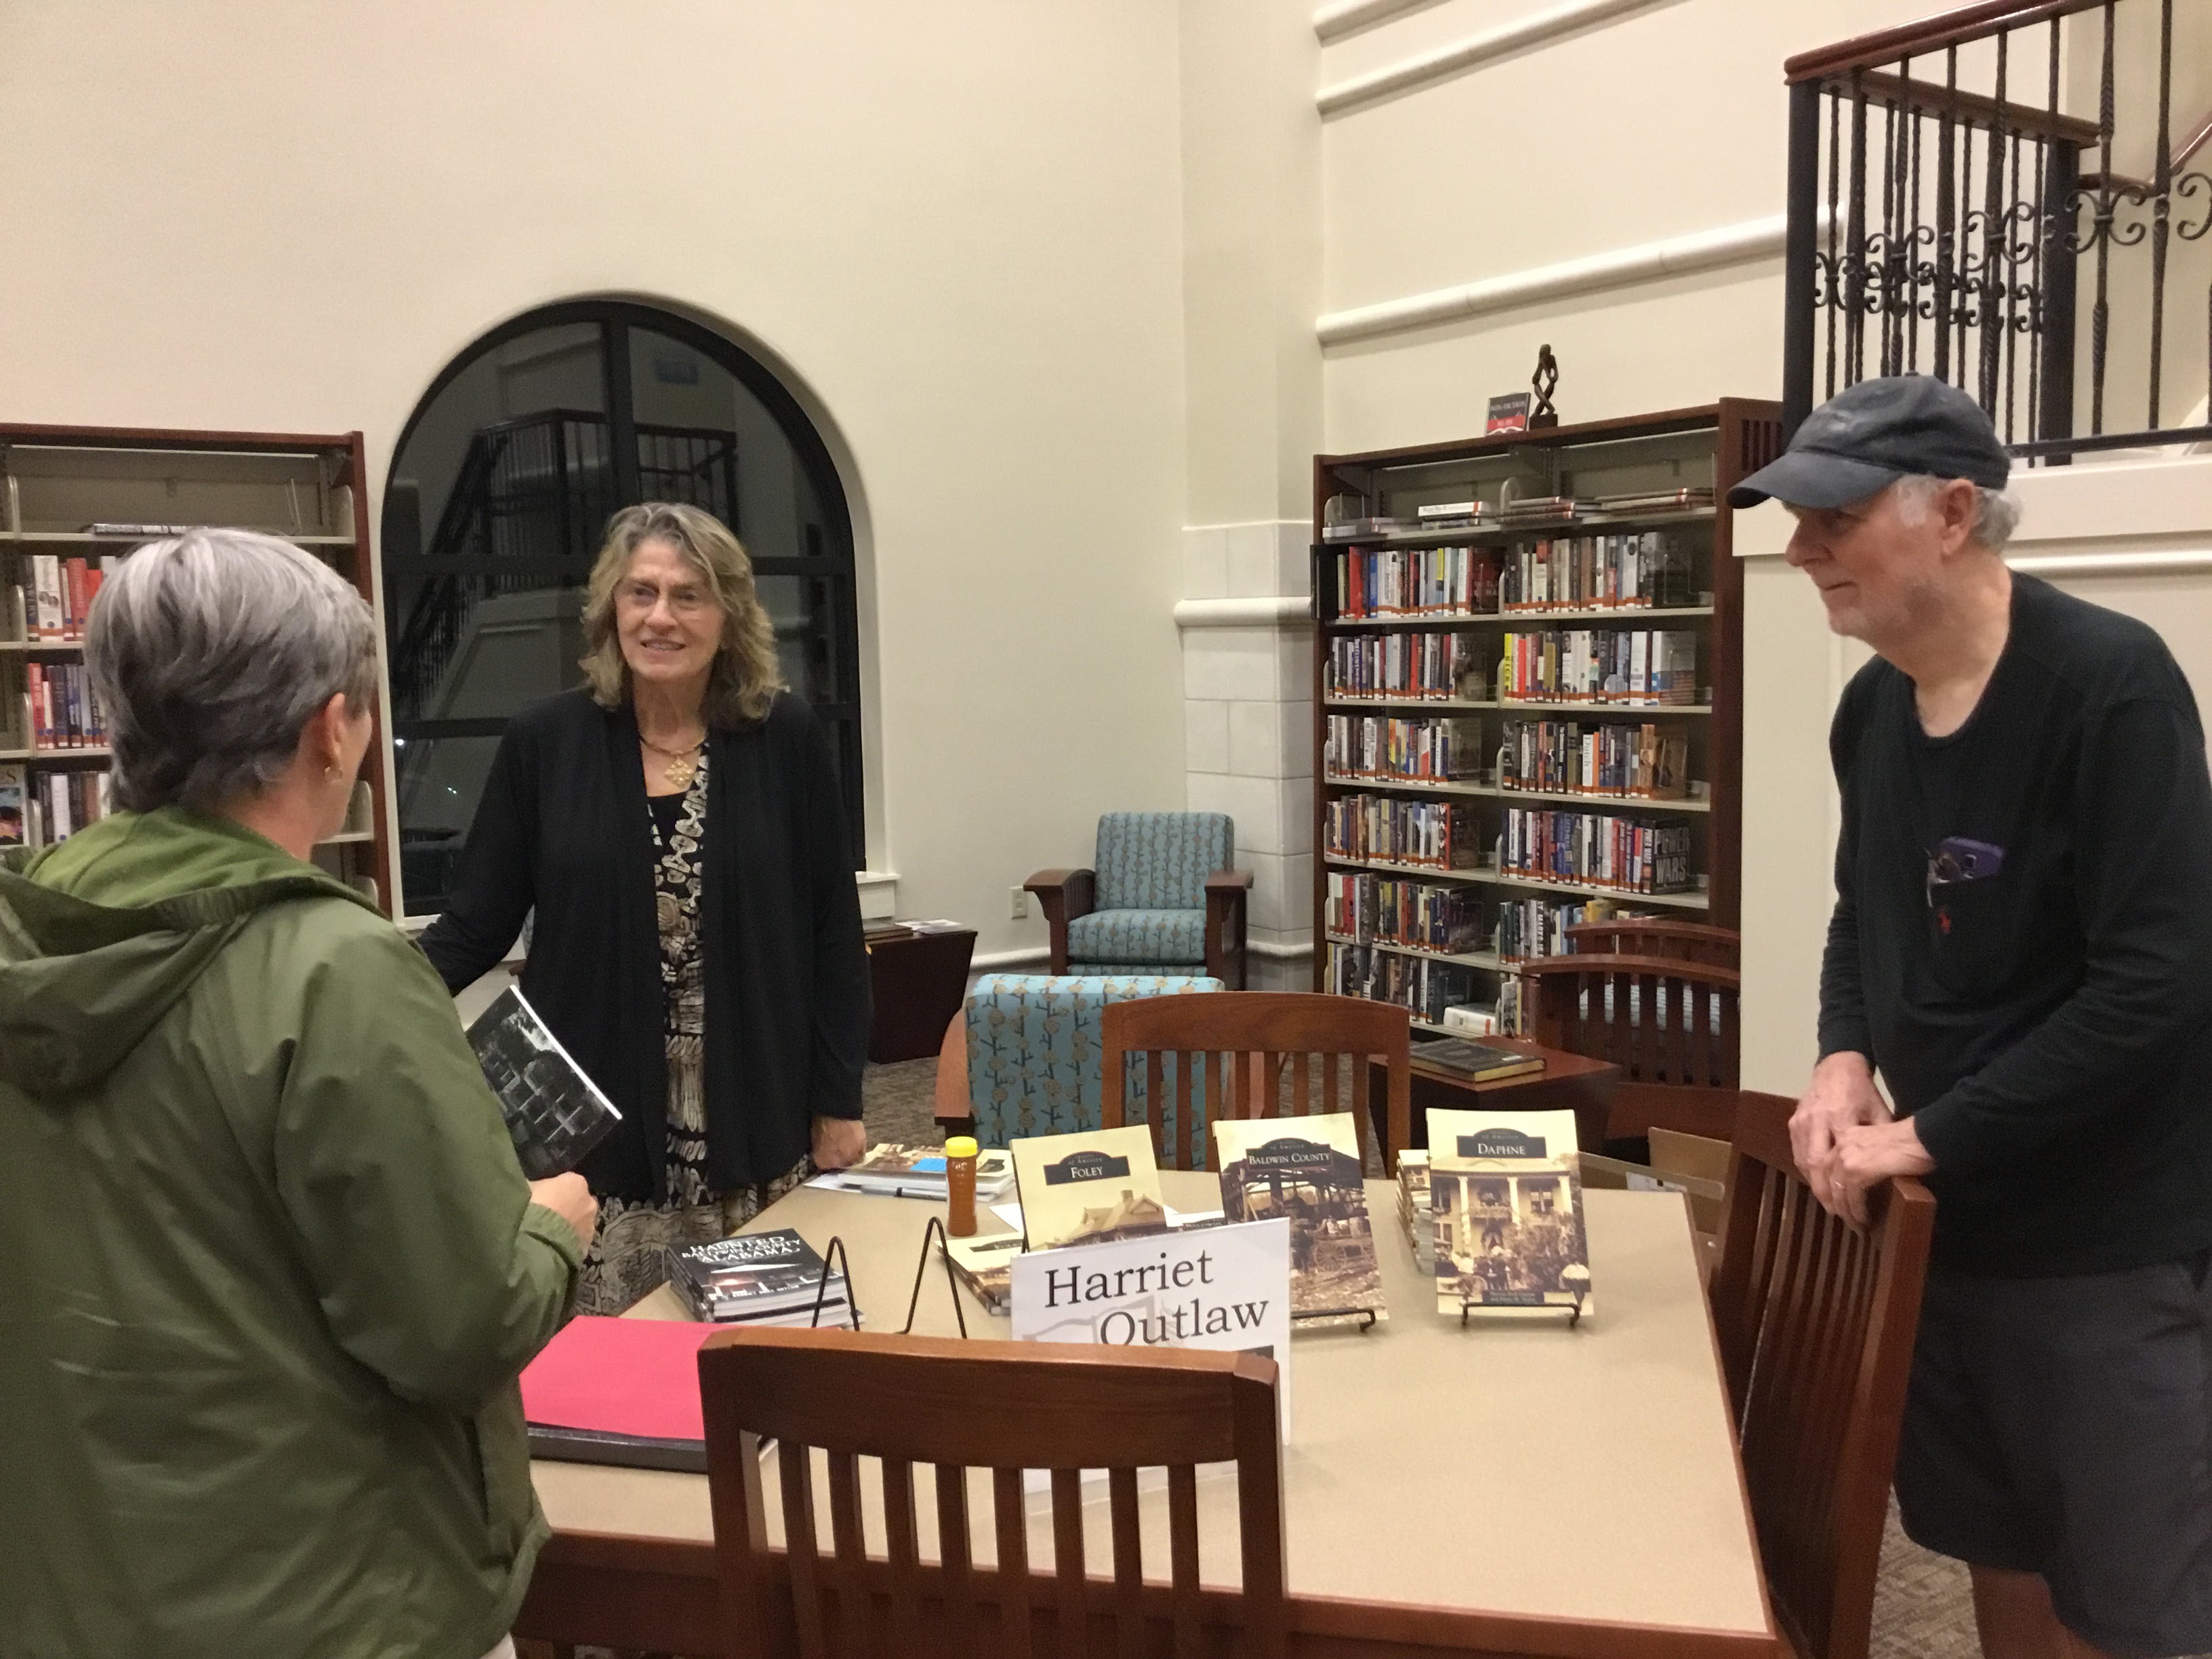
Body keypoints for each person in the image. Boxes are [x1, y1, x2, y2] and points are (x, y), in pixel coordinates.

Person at [0, 529, 596, 1659]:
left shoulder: (25, 943)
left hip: (70, 1591)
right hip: (335, 1599)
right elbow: (458, 1324)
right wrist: (548, 1231)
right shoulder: (335, 971)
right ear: (334, 728)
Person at [1740, 376, 2212, 1659]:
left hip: (2102, 1250)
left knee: (2129, 1602)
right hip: (1948, 1228)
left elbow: (2156, 988)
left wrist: (1922, 1131)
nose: (1798, 550)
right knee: (1991, 1550)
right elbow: (1861, 915)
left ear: (1951, 512)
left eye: (1830, 516)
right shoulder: (1869, 708)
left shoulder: (2107, 687)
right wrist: (1842, 1057)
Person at [423, 501, 870, 1315]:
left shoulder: (787, 738)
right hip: (599, 1134)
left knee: (754, 1360)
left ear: (728, 616)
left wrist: (840, 1102)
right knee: (612, 1381)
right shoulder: (544, 743)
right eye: (640, 593)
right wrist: (363, 989)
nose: (660, 617)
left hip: (755, 1113)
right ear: (610, 611)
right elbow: (474, 926)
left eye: (688, 596)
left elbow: (834, 933)